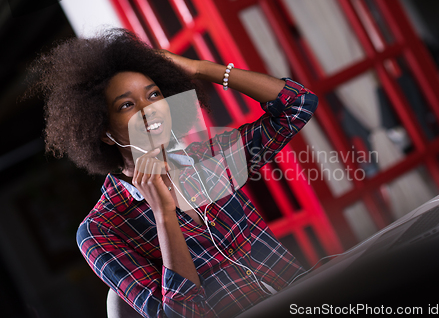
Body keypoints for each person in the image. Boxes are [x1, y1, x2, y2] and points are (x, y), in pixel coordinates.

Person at [27, 28, 318, 318]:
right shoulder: (101, 229)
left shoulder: (210, 159)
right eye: (127, 104)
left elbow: (298, 105)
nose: (149, 110)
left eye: (154, 95)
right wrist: (164, 216)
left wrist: (200, 69)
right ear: (103, 131)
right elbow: (182, 315)